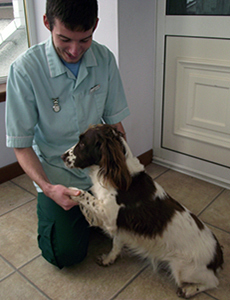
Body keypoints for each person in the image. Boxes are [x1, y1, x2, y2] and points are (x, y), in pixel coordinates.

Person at [5, 0, 130, 269]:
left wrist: (127, 171)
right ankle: (70, 219)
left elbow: (116, 125)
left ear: (95, 26)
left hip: (97, 170)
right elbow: (21, 145)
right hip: (57, 174)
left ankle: (88, 219)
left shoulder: (105, 59)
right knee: (66, 255)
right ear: (47, 23)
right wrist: (49, 190)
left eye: (84, 40)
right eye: (64, 39)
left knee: (135, 222)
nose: (75, 50)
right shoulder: (25, 70)